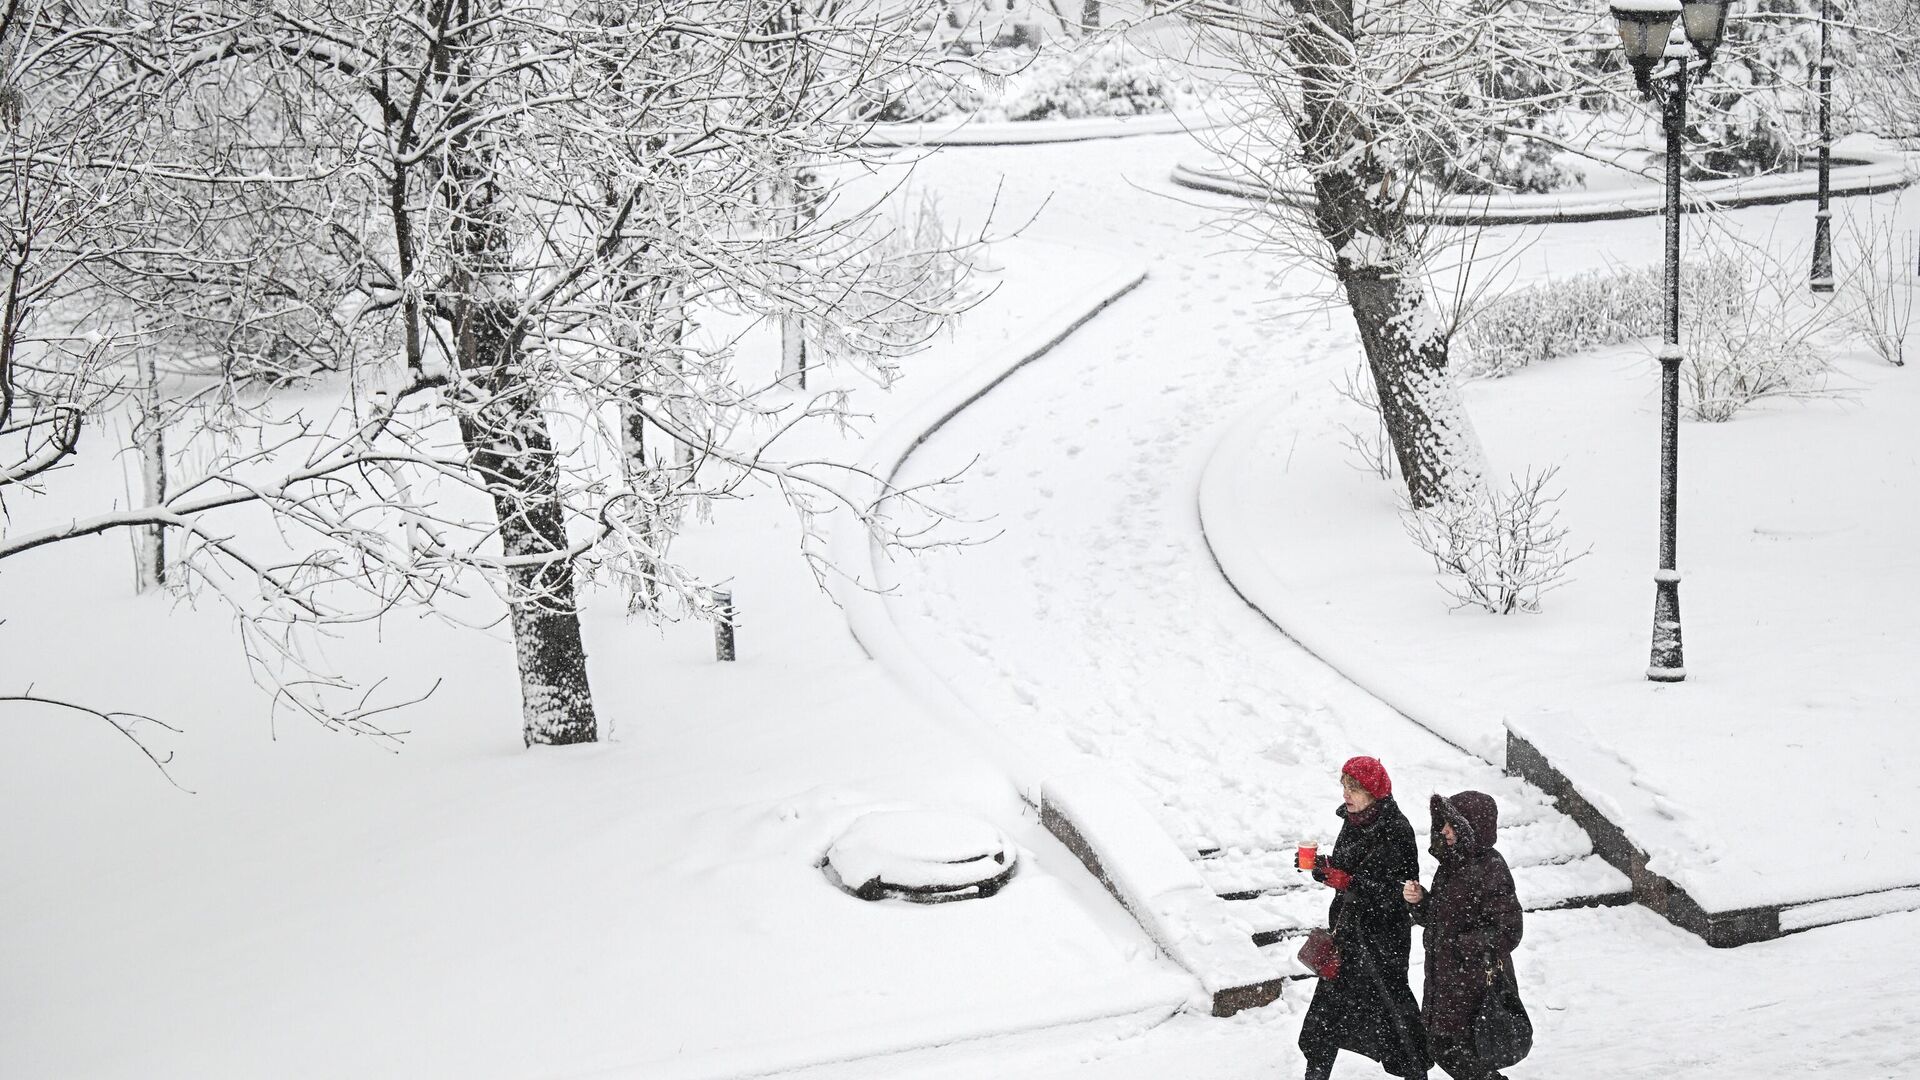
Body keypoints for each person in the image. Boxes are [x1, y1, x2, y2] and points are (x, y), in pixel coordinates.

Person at [1298, 756, 1432, 1080]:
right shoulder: (1352, 820)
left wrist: (1350, 883)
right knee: (1324, 1017)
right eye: (1345, 785)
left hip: (1381, 941)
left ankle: (1416, 1073)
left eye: (1355, 788)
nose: (1347, 794)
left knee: (1394, 1014)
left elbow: (1401, 892)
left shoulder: (1397, 830)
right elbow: (1347, 866)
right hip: (1347, 936)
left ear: (1374, 792)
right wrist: (1322, 868)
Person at [1402, 791, 1525, 1080]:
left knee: (1454, 1050)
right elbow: (1443, 919)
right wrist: (1421, 902)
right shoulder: (1451, 865)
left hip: (1472, 985)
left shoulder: (1490, 868)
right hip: (1445, 981)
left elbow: (1509, 930)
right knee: (1443, 1047)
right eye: (1443, 823)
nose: (1444, 830)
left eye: (1452, 824)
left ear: (1472, 827)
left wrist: (1460, 946)